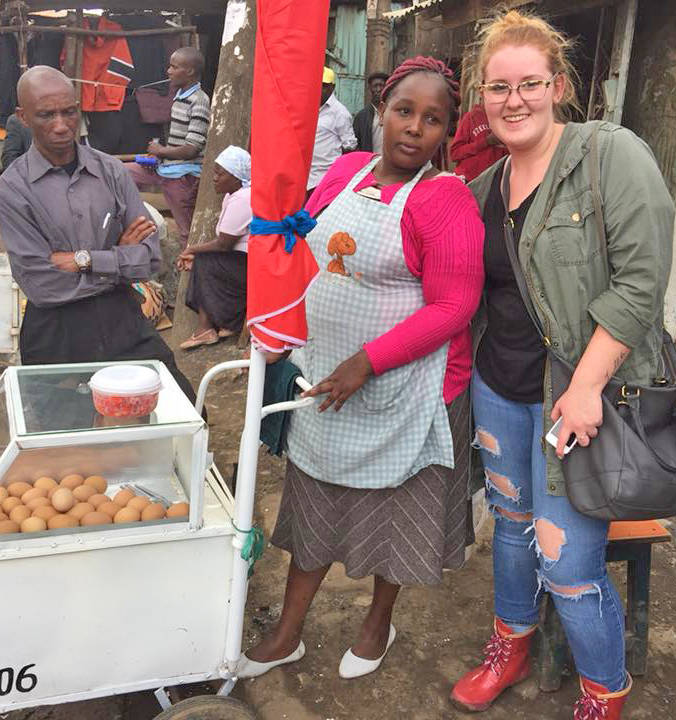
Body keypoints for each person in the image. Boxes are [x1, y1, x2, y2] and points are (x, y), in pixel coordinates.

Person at [449, 11, 673, 719]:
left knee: (566, 561)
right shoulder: (484, 189)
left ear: (560, 86)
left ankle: (604, 688)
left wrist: (585, 385)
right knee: (511, 528)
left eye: (529, 84)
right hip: (499, 391)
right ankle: (510, 644)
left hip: (578, 399)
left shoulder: (610, 156)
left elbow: (641, 279)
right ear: (480, 96)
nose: (513, 101)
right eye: (497, 87)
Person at [238, 57, 484, 681]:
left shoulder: (445, 201)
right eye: (404, 111)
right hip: (325, 377)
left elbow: (455, 306)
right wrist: (273, 307)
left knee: (395, 515)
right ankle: (289, 632)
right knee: (314, 503)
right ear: (380, 109)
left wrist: (367, 363)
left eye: (433, 120)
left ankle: (378, 624)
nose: (414, 129)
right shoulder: (346, 172)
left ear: (445, 133)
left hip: (409, 388)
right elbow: (301, 238)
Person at [0, 66, 196, 402]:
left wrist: (83, 260)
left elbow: (149, 260)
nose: (61, 125)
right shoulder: (12, 191)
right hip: (56, 332)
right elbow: (42, 285)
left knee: (181, 406)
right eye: (46, 115)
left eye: (69, 111)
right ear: (23, 117)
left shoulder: (111, 171)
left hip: (121, 319)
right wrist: (117, 260)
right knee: (64, 437)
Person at [125, 48, 210, 248]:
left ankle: (188, 273)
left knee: (186, 233)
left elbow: (192, 149)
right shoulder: (180, 95)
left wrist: (160, 150)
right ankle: (133, 222)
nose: (169, 71)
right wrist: (160, 156)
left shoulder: (199, 101)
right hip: (168, 167)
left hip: (183, 175)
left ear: (189, 72)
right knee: (121, 173)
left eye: (174, 67)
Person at [177, 145, 251, 349]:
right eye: (215, 172)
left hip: (250, 265)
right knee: (203, 262)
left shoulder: (244, 199)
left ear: (236, 176)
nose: (215, 178)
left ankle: (206, 329)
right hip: (240, 260)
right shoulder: (234, 195)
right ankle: (213, 326)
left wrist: (191, 250)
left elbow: (225, 244)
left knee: (204, 261)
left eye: (220, 173)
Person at [307, 67, 356, 195]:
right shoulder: (309, 108)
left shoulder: (340, 113)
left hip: (325, 178)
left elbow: (350, 146)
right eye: (317, 85)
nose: (319, 89)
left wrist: (339, 175)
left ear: (332, 88)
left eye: (324, 86)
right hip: (307, 177)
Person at [449, 101, 507, 182]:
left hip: (491, 183)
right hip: (468, 181)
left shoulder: (505, 120)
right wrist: (486, 141)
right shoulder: (471, 117)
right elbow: (455, 154)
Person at [352, 71, 388, 153]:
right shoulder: (361, 117)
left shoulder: (395, 113)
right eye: (375, 86)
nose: (378, 89)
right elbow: (355, 144)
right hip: (370, 163)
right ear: (370, 89)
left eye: (381, 86)